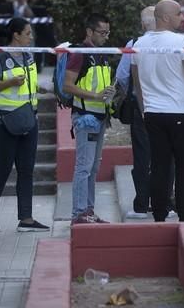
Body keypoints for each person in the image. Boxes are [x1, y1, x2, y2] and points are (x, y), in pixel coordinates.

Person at [132, 0, 184, 222]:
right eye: (179, 14)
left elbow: (137, 84)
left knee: (159, 167)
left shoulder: (138, 44)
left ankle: (159, 217)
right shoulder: (182, 41)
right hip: (181, 114)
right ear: (166, 17)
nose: (183, 17)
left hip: (153, 115)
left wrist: (144, 109)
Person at [0, 17, 49, 232]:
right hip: (2, 122)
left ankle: (26, 219)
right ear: (16, 35)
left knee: (27, 170)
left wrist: (39, 88)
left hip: (28, 119)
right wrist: (8, 82)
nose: (31, 37)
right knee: (3, 169)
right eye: (28, 33)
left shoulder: (29, 56)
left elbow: (25, 86)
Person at [63, 13, 115, 224]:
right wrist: (95, 96)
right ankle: (79, 213)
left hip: (100, 116)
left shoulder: (101, 53)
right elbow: (67, 85)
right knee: (84, 166)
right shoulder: (79, 53)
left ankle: (88, 211)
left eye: (107, 33)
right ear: (90, 32)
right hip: (86, 117)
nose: (105, 37)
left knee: (93, 167)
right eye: (102, 33)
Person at [116, 6, 158, 219]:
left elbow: (122, 76)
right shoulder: (178, 43)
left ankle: (142, 204)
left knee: (142, 156)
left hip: (142, 108)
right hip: (169, 109)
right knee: (166, 156)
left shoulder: (134, 45)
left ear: (142, 24)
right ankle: (165, 202)